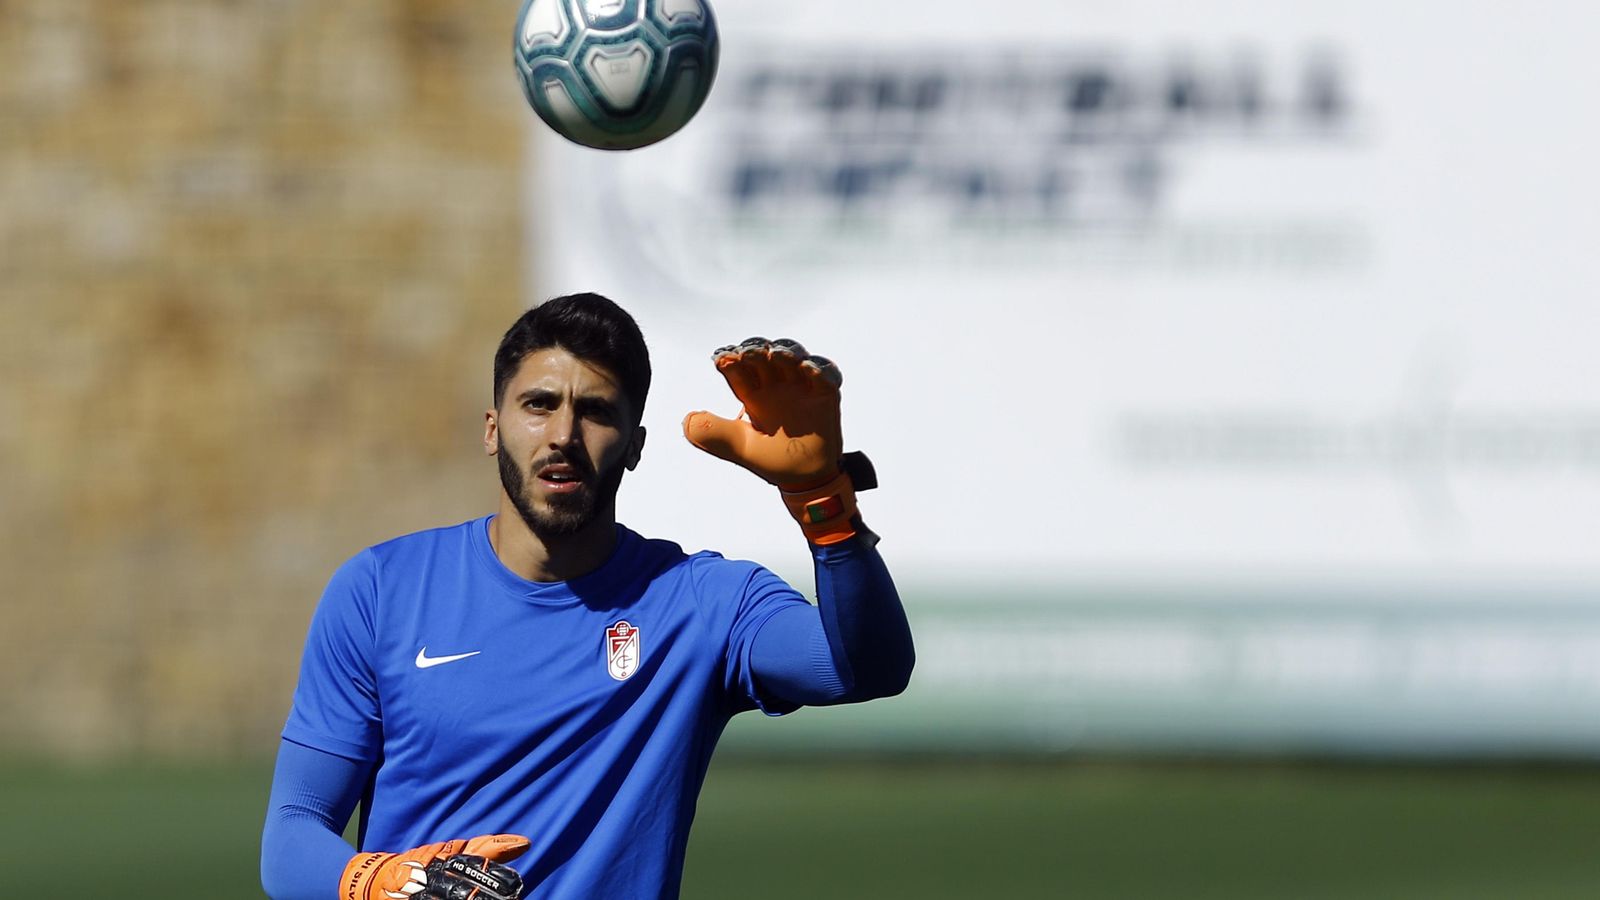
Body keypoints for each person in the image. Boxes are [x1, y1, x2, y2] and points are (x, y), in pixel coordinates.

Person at [260, 293, 915, 900]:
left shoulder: (702, 604)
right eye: (539, 404)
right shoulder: (380, 590)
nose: (563, 436)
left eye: (596, 412)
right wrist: (384, 883)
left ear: (634, 447)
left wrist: (822, 502)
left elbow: (867, 668)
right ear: (493, 428)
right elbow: (291, 835)